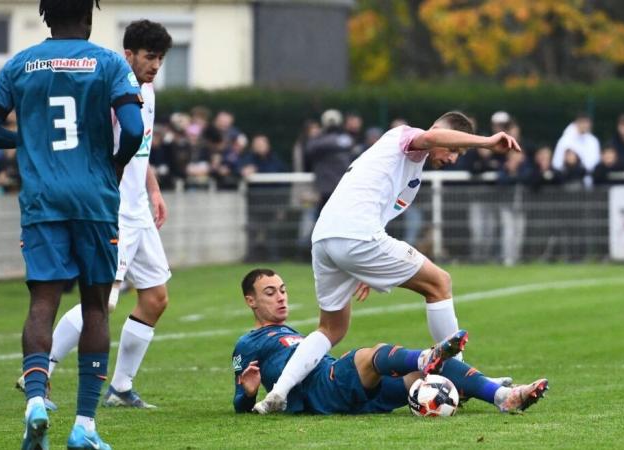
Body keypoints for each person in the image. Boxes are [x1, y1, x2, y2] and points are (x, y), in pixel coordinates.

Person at [254, 111, 522, 414]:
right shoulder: (407, 137)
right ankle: (463, 379)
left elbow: (377, 211)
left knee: (331, 328)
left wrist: (364, 269)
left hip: (326, 239)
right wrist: (487, 142)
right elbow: (432, 137)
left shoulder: (412, 171)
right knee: (439, 283)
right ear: (440, 131)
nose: (453, 158)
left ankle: (278, 393)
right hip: (354, 237)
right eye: (455, 150)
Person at [0, 1, 144, 449]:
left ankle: (35, 399)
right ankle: (84, 426)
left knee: (43, 301)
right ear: (89, 17)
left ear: (46, 17)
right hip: (94, 198)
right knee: (94, 305)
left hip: (43, 200)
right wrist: (115, 165)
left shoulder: (18, 65)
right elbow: (132, 128)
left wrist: (26, 140)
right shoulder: (108, 62)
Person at [40, 19, 173, 411]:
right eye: (150, 57)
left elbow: (140, 146)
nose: (156, 65)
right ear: (127, 54)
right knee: (105, 300)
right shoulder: (109, 89)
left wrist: (153, 189)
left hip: (138, 211)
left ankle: (120, 388)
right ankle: (40, 373)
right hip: (112, 210)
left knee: (155, 298)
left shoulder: (147, 90)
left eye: (162, 58)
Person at [234, 269, 548, 415]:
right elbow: (239, 403)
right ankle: (427, 357)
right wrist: (247, 395)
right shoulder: (249, 342)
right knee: (371, 354)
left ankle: (504, 396)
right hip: (321, 390)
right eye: (270, 293)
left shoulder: (290, 330)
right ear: (251, 301)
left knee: (429, 378)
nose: (281, 297)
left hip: (349, 396)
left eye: (283, 290)